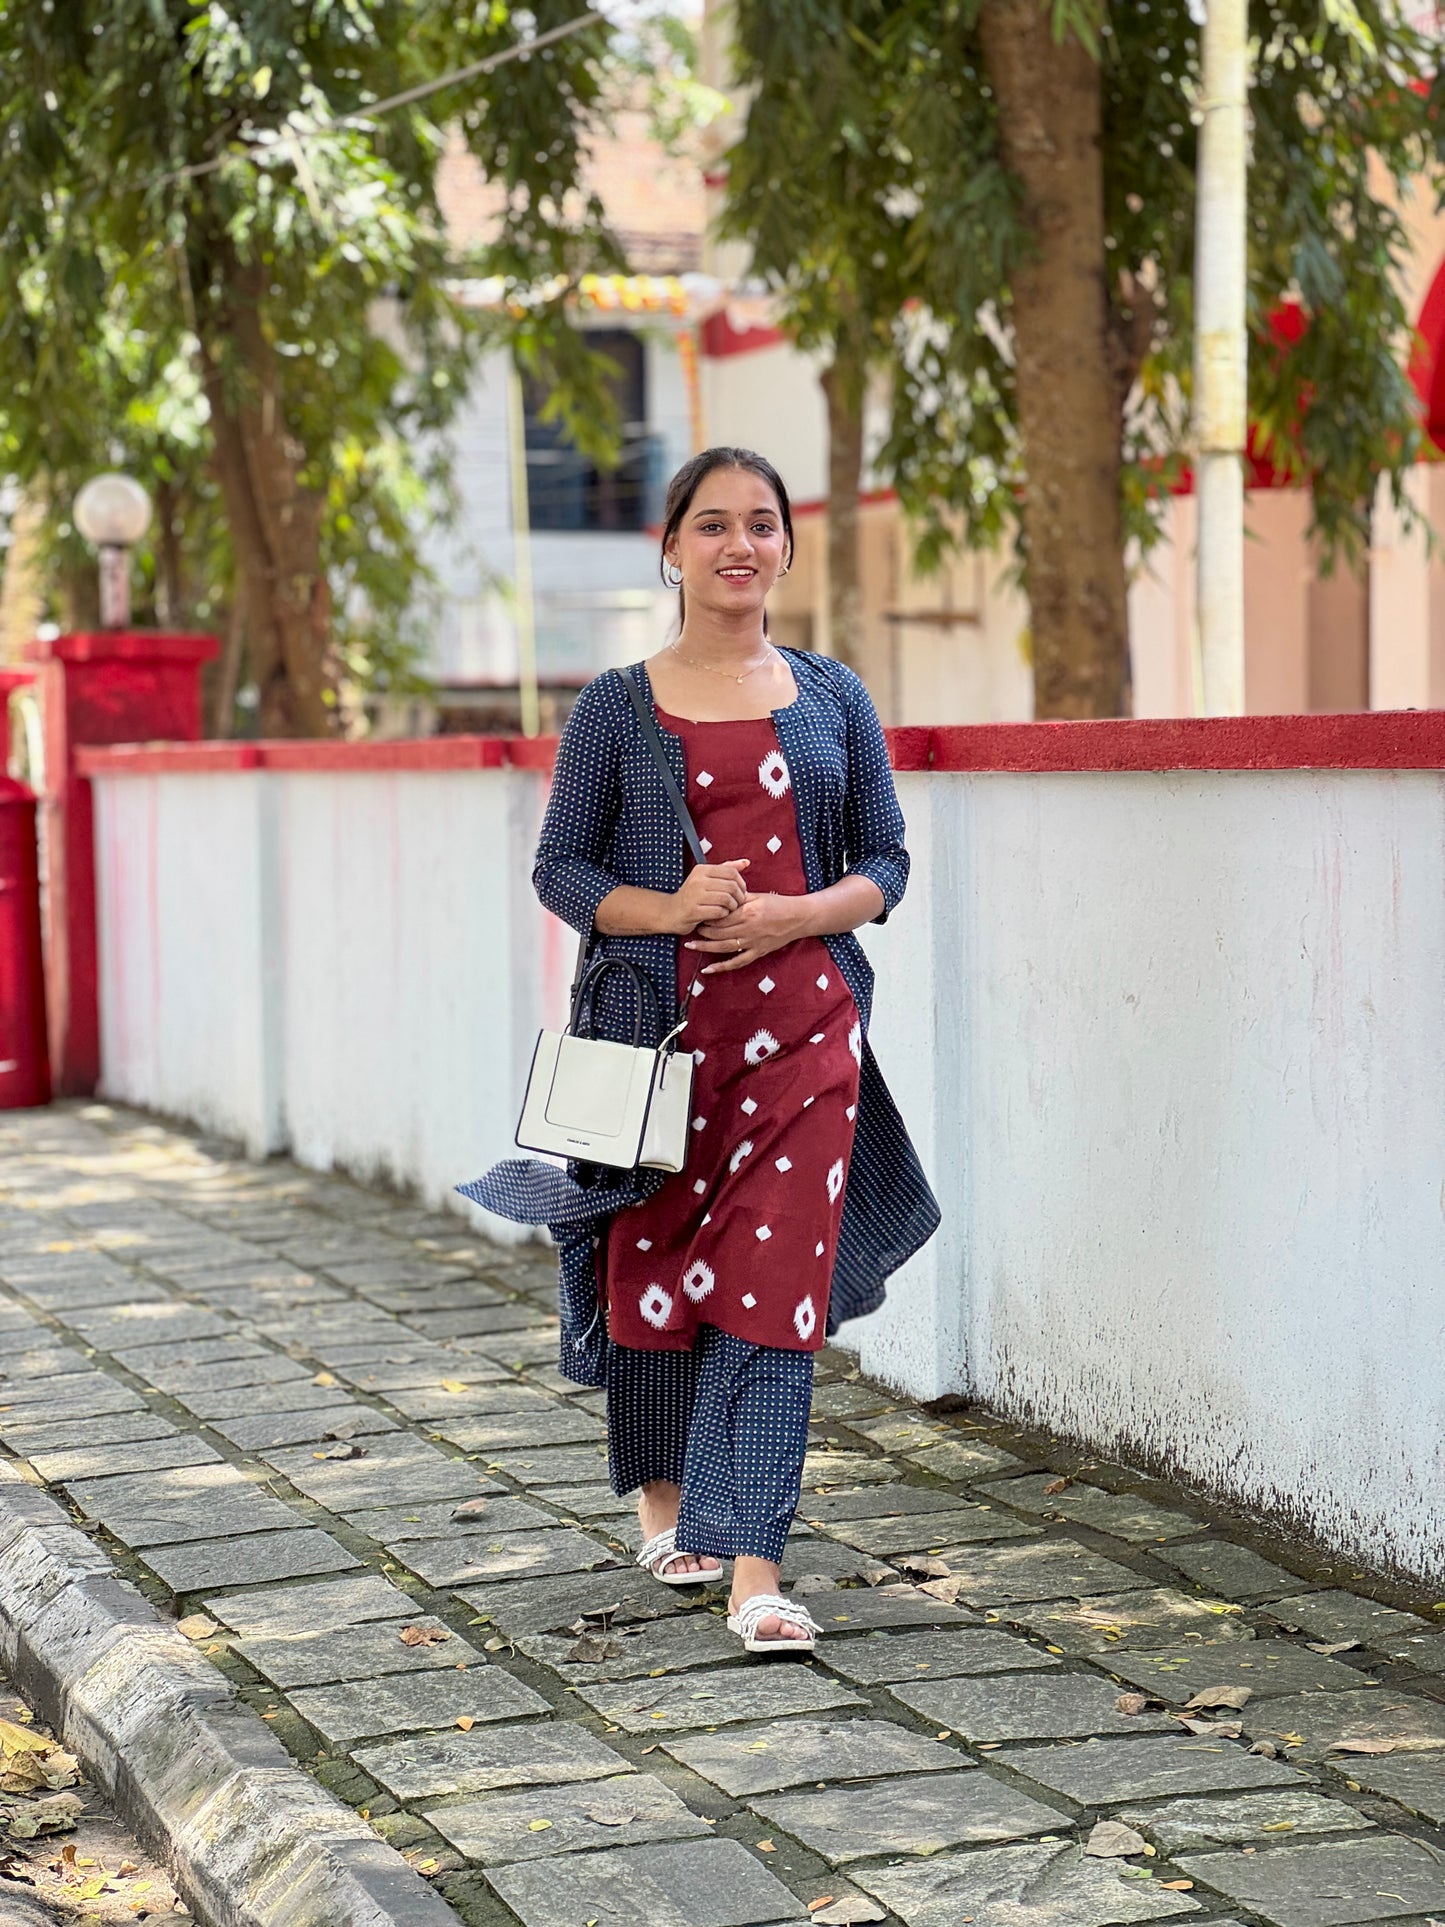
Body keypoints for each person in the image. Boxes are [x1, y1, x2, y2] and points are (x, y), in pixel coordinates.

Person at [462, 446, 938, 1654]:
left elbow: (883, 864)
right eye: (712, 523)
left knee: (772, 1293)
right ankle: (667, 1506)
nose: (739, 544)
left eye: (761, 524)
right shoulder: (618, 704)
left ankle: (755, 1567)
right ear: (668, 547)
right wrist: (668, 908)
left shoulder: (833, 696)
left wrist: (792, 913)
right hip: (656, 1045)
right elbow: (560, 868)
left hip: (806, 1038)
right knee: (659, 1273)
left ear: (784, 546)